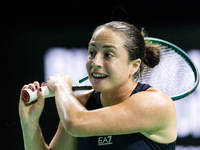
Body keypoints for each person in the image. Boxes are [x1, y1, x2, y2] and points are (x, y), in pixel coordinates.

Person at [19, 21, 177, 150]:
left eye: (108, 54)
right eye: (92, 52)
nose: (95, 63)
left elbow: (76, 123)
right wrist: (29, 122)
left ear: (134, 66)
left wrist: (61, 87)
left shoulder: (155, 104)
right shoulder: (80, 105)